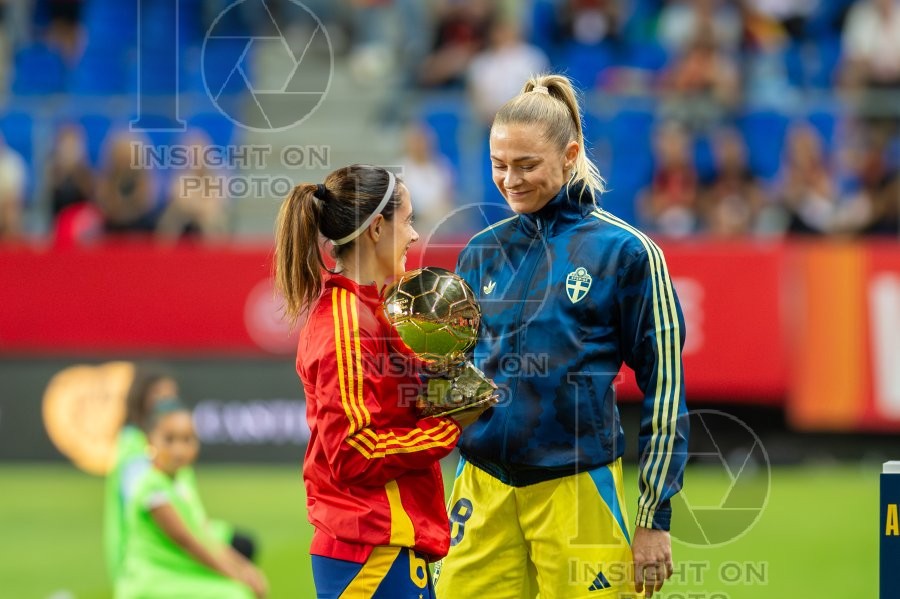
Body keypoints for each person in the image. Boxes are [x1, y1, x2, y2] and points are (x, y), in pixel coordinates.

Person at [434, 74, 689, 599]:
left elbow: (666, 390)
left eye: (527, 165)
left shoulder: (628, 253)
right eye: (499, 164)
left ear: (570, 154)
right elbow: (455, 376)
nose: (510, 179)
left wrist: (654, 515)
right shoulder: (478, 252)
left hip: (578, 490)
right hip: (481, 487)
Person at [273, 164, 492, 598]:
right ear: (376, 228)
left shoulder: (376, 310)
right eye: (408, 220)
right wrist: (450, 425)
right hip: (370, 548)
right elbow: (353, 451)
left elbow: (393, 408)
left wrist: (441, 379)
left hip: (390, 539)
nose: (414, 235)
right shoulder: (346, 326)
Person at [105, 367, 257, 588]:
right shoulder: (139, 457)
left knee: (241, 548)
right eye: (158, 394)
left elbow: (191, 515)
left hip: (183, 537)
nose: (165, 400)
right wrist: (233, 572)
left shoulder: (174, 461)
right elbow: (170, 523)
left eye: (187, 440)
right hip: (151, 558)